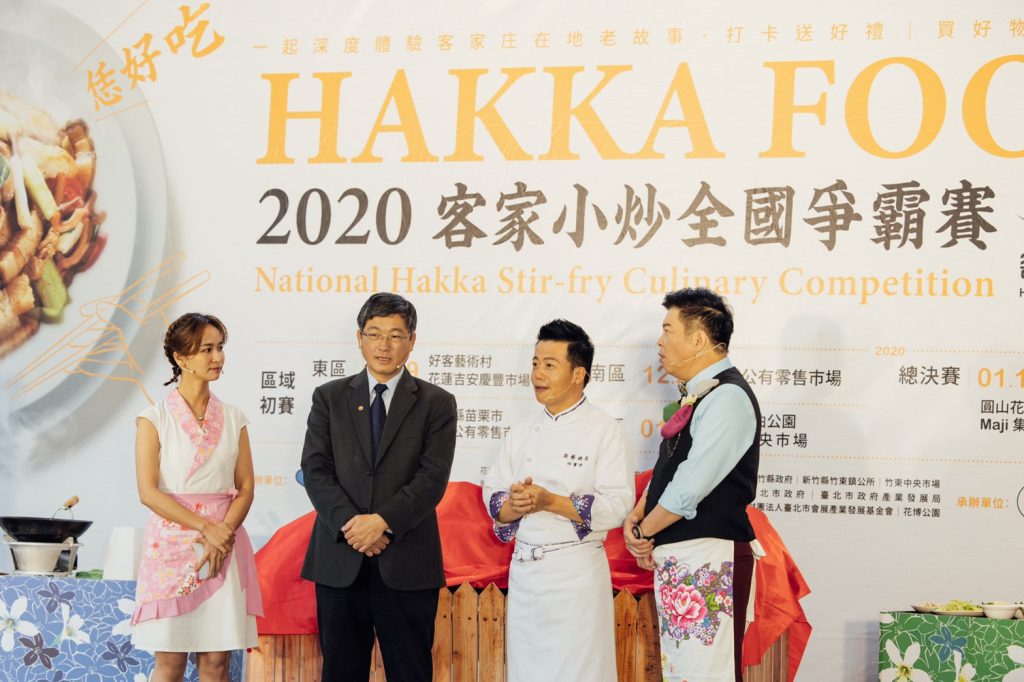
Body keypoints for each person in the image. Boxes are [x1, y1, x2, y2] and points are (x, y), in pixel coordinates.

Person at [300, 292, 457, 682]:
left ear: (412, 341)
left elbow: (432, 478)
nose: (384, 345)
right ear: (359, 338)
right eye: (374, 334)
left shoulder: (437, 403)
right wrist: (354, 527)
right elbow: (315, 470)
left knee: (410, 672)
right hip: (341, 559)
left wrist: (382, 523)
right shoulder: (329, 397)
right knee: (340, 673)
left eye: (395, 335)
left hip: (406, 562)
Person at [482, 319, 634, 682]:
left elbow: (617, 505)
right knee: (527, 672)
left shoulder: (604, 429)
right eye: (535, 363)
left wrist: (550, 501)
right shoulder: (521, 431)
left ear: (578, 374)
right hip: (525, 574)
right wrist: (516, 504)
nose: (537, 373)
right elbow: (494, 495)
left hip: (576, 576)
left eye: (550, 365)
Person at [623, 289, 760, 682]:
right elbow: (672, 468)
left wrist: (643, 532)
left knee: (707, 673)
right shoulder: (699, 395)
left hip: (710, 556)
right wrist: (639, 513)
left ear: (699, 340)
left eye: (668, 330)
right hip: (685, 556)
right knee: (685, 671)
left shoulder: (727, 396)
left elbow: (689, 486)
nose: (659, 342)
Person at [132, 313, 263, 682]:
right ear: (181, 358)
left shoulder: (234, 417)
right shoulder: (154, 418)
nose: (217, 357)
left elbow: (246, 487)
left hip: (222, 546)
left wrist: (222, 533)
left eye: (220, 347)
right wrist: (208, 529)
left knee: (216, 664)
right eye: (207, 349)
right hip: (172, 546)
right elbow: (148, 492)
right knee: (170, 663)